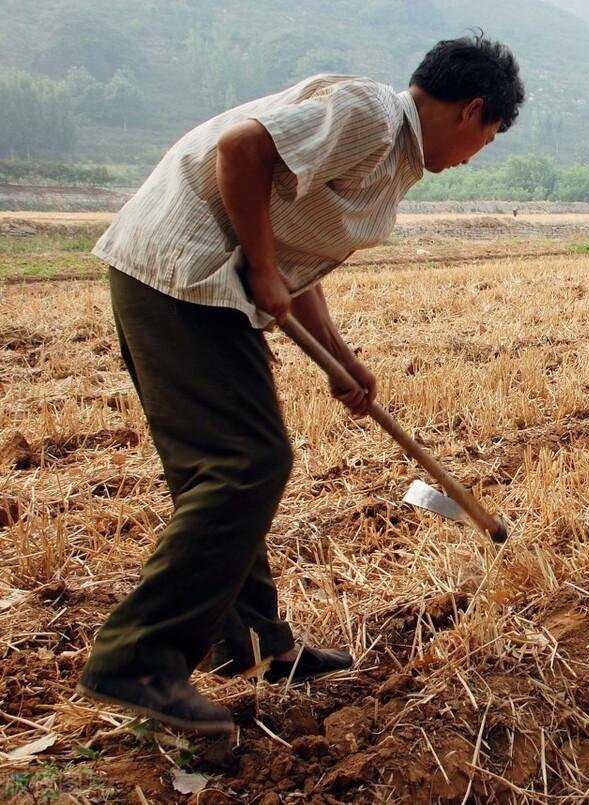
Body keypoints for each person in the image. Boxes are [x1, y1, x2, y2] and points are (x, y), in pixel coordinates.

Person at [75, 35, 524, 734]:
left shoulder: (393, 161)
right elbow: (241, 150)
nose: (475, 154)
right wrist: (259, 267)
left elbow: (293, 258)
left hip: (207, 285)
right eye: (488, 138)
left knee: (231, 467)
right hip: (180, 272)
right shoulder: (372, 116)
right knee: (246, 462)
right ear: (471, 110)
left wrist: (340, 359)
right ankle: (136, 659)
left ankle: (254, 644)